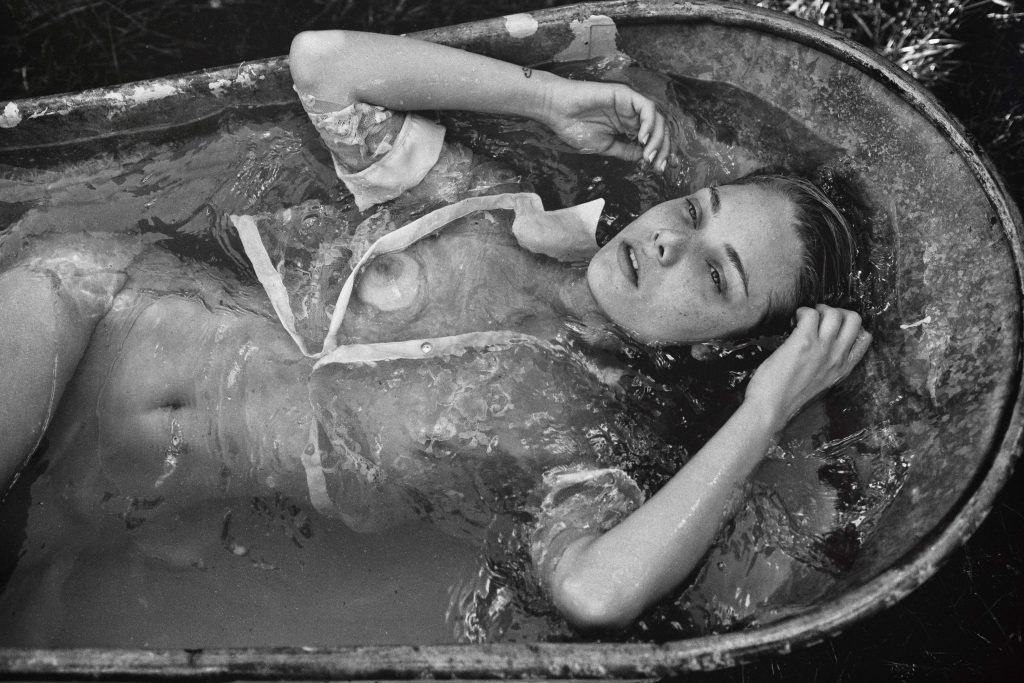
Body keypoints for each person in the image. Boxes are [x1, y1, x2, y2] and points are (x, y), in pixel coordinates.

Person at [0, 29, 871, 633]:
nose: (673, 241)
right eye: (696, 209)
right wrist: (548, 99)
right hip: (91, 308)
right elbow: (324, 64)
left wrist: (764, 409)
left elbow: (595, 593)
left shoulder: (582, 436)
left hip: (116, 490)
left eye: (717, 276)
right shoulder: (488, 212)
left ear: (719, 345)